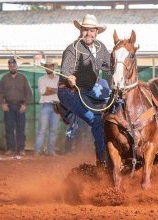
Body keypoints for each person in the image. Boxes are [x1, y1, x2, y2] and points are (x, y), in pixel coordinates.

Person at [57, 14, 111, 166]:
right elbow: (66, 70)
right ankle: (103, 161)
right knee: (97, 122)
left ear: (96, 32)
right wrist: (69, 77)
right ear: (81, 31)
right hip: (69, 91)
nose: (88, 33)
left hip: (89, 88)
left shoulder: (101, 48)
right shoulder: (72, 49)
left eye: (91, 30)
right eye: (85, 30)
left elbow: (110, 66)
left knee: (112, 97)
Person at [0, 58, 32, 156]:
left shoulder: (23, 78)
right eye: (10, 66)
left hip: (21, 106)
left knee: (21, 129)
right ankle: (10, 149)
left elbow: (29, 93)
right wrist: (2, 104)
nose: (12, 67)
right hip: (8, 107)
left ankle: (21, 149)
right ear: (8, 67)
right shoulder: (4, 78)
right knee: (9, 129)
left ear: (17, 66)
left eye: (14, 66)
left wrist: (25, 105)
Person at [34, 62, 60, 156]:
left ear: (53, 67)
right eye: (47, 66)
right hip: (46, 105)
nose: (48, 68)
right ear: (45, 68)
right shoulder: (41, 79)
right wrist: (56, 90)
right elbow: (43, 92)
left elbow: (60, 92)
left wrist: (50, 89)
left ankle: (51, 151)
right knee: (42, 129)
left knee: (54, 130)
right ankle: (38, 151)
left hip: (56, 106)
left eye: (50, 66)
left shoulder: (59, 79)